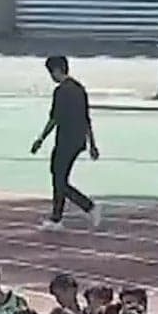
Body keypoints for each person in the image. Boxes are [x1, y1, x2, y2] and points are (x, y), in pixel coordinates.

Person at [31, 54, 101, 232]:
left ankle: (88, 206)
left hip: (65, 140)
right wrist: (92, 144)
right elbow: (86, 118)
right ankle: (57, 218)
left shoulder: (61, 91)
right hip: (78, 140)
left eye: (51, 73)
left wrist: (40, 139)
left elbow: (54, 119)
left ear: (56, 71)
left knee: (59, 180)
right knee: (59, 177)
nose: (51, 77)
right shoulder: (79, 88)